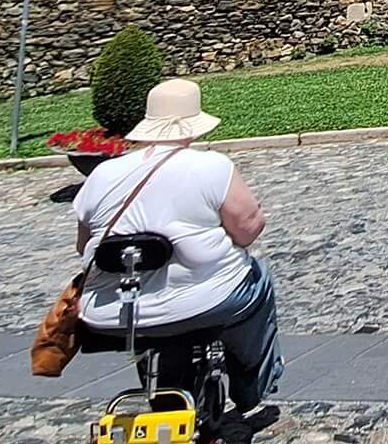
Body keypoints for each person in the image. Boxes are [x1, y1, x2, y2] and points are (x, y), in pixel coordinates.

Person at [72, 76, 283, 412]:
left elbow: (84, 246)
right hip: (203, 300)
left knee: (154, 316)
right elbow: (248, 230)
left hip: (112, 312)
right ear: (193, 124)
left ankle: (162, 387)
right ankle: (251, 384)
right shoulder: (211, 167)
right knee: (257, 279)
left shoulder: (102, 174)